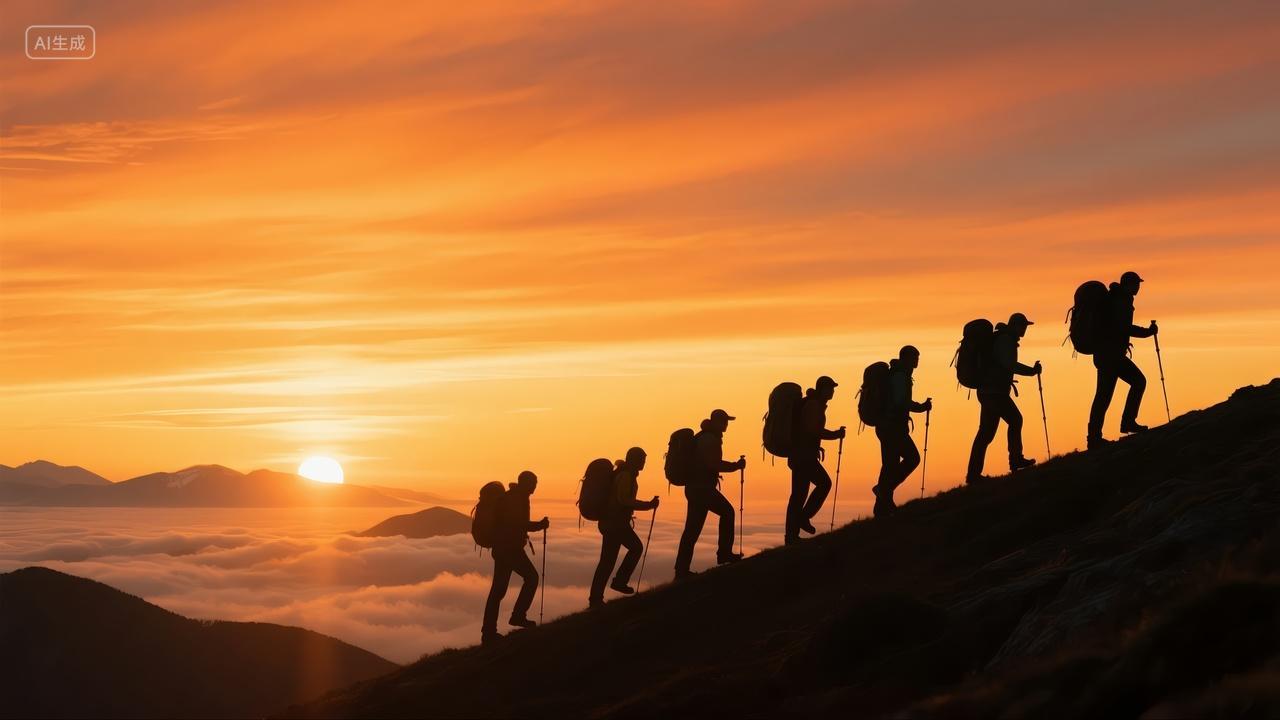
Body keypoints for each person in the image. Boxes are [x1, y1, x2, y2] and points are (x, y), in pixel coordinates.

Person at [966, 313, 1041, 484]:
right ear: (1015, 326)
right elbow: (1009, 364)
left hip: (988, 391)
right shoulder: (1006, 340)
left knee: (985, 434)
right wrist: (1031, 371)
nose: (1025, 329)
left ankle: (973, 475)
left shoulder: (1003, 338)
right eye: (1023, 326)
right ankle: (1015, 459)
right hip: (995, 392)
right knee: (1015, 420)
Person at [1087, 271, 1157, 448]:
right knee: (1137, 382)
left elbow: (1119, 328)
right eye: (1136, 284)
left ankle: (1096, 436)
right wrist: (1147, 332)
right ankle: (1124, 424)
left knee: (1103, 396)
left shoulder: (1116, 298)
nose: (1138, 287)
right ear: (1128, 284)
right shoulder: (1121, 301)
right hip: (1111, 356)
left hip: (1105, 354)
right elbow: (1123, 327)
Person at [674, 409, 745, 579]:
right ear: (716, 422)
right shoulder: (710, 439)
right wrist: (736, 466)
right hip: (702, 488)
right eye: (724, 421)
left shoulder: (703, 437)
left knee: (692, 530)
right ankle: (724, 554)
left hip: (694, 488)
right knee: (727, 512)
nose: (726, 424)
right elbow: (713, 464)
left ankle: (681, 570)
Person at [481, 470, 549, 645]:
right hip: (510, 549)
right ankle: (517, 616)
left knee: (498, 591)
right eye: (533, 483)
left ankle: (488, 633)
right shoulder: (516, 498)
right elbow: (518, 524)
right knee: (531, 578)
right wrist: (540, 525)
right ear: (525, 483)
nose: (535, 486)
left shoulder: (515, 497)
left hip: (503, 548)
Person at [589, 448, 659, 608]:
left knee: (607, 562)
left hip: (610, 522)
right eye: (642, 459)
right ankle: (618, 583)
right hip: (616, 523)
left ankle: (596, 599)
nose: (644, 463)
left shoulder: (624, 474)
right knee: (635, 548)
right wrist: (648, 505)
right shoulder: (626, 476)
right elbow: (624, 500)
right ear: (634, 460)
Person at [786, 376, 845, 542]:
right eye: (830, 388)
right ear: (822, 389)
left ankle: (792, 535)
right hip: (803, 456)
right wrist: (835, 434)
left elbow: (808, 430)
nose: (832, 391)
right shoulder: (813, 405)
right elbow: (813, 430)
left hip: (800, 455)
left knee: (798, 495)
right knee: (823, 484)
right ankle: (802, 520)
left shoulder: (813, 404)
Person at [873, 347, 931, 517]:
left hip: (886, 426)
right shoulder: (900, 376)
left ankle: (882, 508)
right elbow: (900, 402)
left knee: (889, 466)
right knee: (912, 458)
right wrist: (921, 407)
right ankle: (883, 491)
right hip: (893, 427)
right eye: (915, 357)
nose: (917, 360)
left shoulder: (898, 374)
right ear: (906, 358)